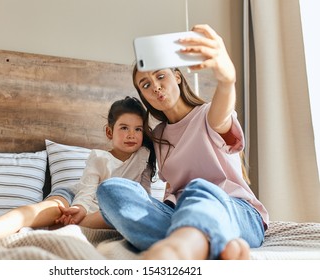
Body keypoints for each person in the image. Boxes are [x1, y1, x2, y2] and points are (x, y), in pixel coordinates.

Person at [96, 24, 269, 260]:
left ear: (177, 76)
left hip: (235, 211)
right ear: (143, 95)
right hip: (179, 214)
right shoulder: (157, 136)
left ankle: (177, 250)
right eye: (146, 85)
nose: (155, 86)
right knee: (111, 191)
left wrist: (227, 80)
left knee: (198, 189)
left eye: (160, 76)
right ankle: (210, 243)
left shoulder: (208, 114)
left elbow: (222, 114)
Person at [0, 96, 156, 242]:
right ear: (109, 132)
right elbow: (85, 192)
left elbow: (143, 196)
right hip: (74, 196)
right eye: (124, 128)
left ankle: (63, 225)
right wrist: (78, 210)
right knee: (46, 211)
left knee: (117, 214)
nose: (132, 135)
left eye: (137, 129)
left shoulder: (144, 156)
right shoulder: (99, 157)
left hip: (105, 209)